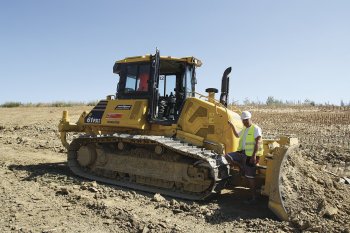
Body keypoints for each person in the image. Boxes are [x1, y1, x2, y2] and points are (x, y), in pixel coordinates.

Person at [225, 111, 263, 204]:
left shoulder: (255, 128)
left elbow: (257, 142)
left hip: (251, 156)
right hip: (242, 154)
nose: (244, 122)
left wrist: (254, 156)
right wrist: (232, 126)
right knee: (227, 156)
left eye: (246, 120)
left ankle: (254, 198)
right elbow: (237, 135)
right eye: (243, 121)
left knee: (250, 177)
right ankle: (241, 167)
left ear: (250, 119)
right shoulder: (245, 129)